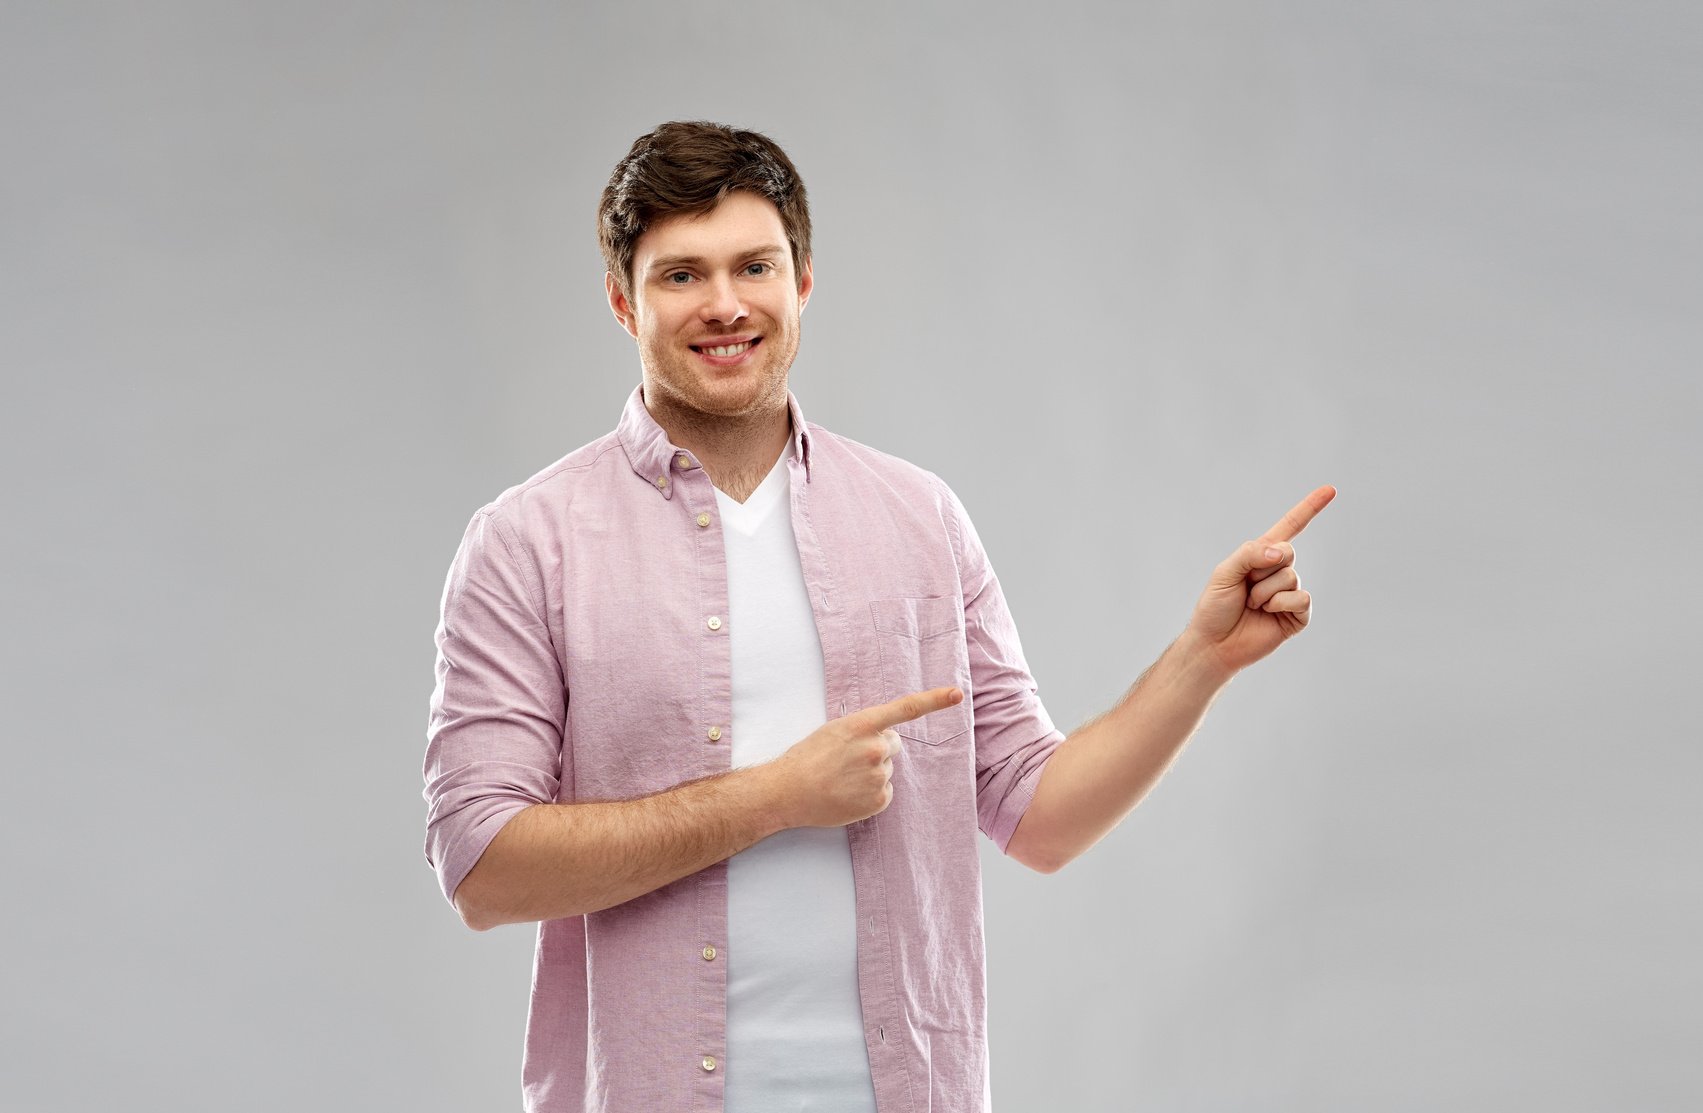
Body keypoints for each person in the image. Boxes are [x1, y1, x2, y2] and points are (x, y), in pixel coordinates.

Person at [422, 120, 1335, 1113]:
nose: (724, 305)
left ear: (802, 281)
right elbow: (482, 867)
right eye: (681, 275)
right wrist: (774, 797)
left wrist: (1200, 659)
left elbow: (1039, 814)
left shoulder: (917, 519)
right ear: (620, 301)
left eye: (753, 266)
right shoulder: (528, 542)